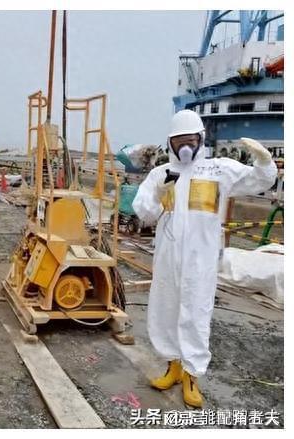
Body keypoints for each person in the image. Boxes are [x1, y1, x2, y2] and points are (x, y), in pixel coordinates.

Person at [132, 109, 277, 408]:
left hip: (201, 259)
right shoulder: (160, 175)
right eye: (180, 141)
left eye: (191, 140)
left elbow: (260, 181)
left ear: (200, 139)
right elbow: (143, 214)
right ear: (170, 143)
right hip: (168, 257)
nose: (186, 147)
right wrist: (159, 193)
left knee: (196, 314)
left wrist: (264, 160)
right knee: (166, 309)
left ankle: (192, 376)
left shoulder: (218, 170)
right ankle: (172, 366)